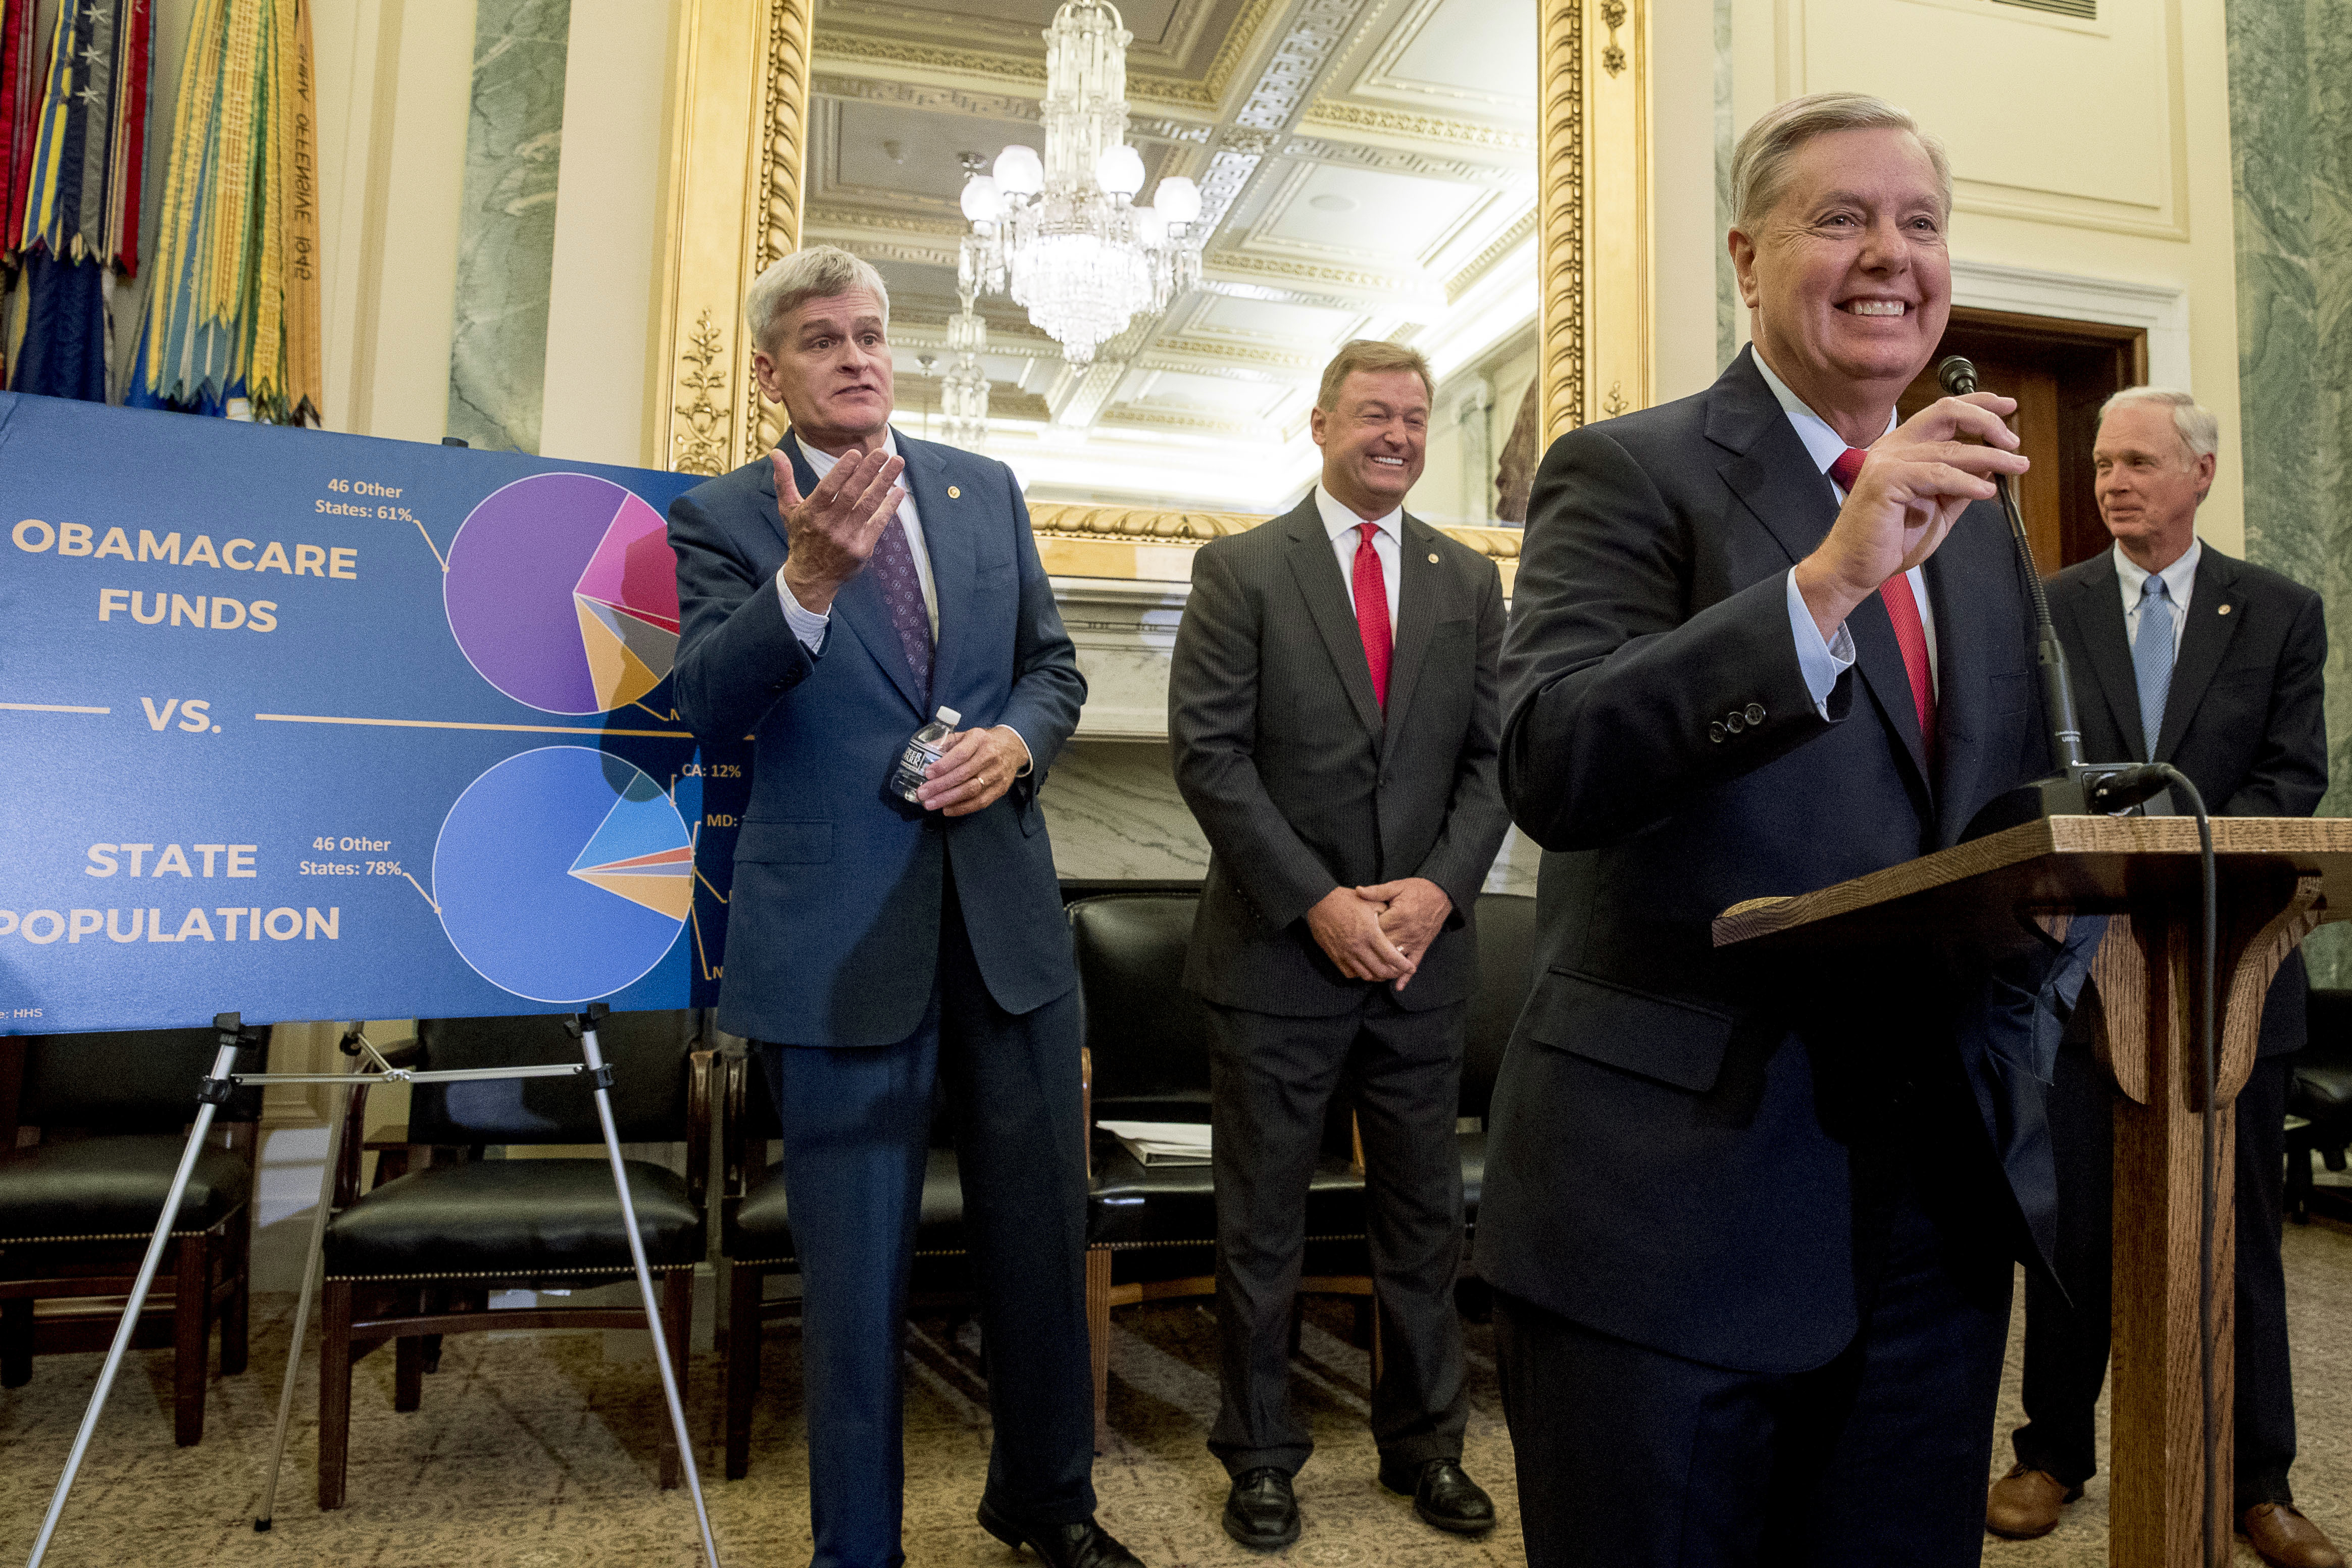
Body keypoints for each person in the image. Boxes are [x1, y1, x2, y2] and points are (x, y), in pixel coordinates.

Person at [1480, 92, 2065, 1565]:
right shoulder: (1629, 469)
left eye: (1919, 224)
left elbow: (2008, 811)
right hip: (1675, 1205)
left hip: (1934, 1208)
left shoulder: (1983, 512)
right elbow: (1550, 761)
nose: (1891, 255)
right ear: (1747, 257)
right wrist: (1823, 584)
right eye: (1842, 219)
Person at [667, 245, 1139, 1568]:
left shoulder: (981, 490)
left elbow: (1052, 667)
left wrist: (1019, 744)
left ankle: (1048, 1506)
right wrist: (807, 579)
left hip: (1008, 938)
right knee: (858, 1284)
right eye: (821, 338)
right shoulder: (719, 519)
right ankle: (855, 1551)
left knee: (1043, 1248)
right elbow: (707, 703)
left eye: (870, 332)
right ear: (771, 369)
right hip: (832, 950)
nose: (857, 355)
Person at [1168, 339, 1513, 1550]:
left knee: (1423, 1223)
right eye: (1375, 414)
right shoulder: (1242, 569)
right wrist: (1320, 902)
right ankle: (1260, 1454)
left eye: (1415, 419)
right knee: (1259, 1225)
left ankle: (1426, 1446)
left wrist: (1434, 892)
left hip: (1422, 963)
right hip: (1276, 960)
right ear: (1319, 424)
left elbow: (1490, 760)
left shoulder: (1468, 582)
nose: (1399, 437)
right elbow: (1207, 755)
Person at [1988, 388, 2337, 1568]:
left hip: (2230, 972)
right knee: (2072, 1227)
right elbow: (2021, 774)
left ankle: (2258, 1478)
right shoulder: (2048, 609)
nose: (2111, 480)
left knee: (2239, 1233)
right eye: (2099, 464)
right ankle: (2050, 1453)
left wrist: (2168, 872)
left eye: (2138, 460)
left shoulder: (2281, 613)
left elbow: (2289, 784)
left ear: (2199, 471)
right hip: (2083, 979)